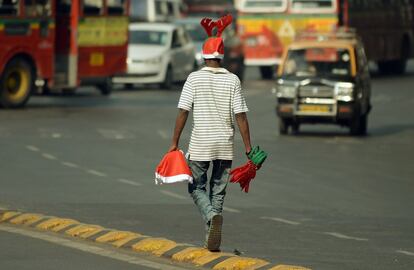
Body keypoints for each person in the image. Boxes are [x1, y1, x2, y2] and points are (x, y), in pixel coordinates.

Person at [167, 15, 252, 252]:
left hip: (201, 144)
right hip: (224, 145)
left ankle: (210, 215)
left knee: (195, 187)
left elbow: (183, 111)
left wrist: (174, 142)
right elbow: (241, 116)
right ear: (222, 56)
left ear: (204, 55)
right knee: (219, 190)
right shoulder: (233, 80)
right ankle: (211, 236)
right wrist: (248, 147)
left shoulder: (194, 78)